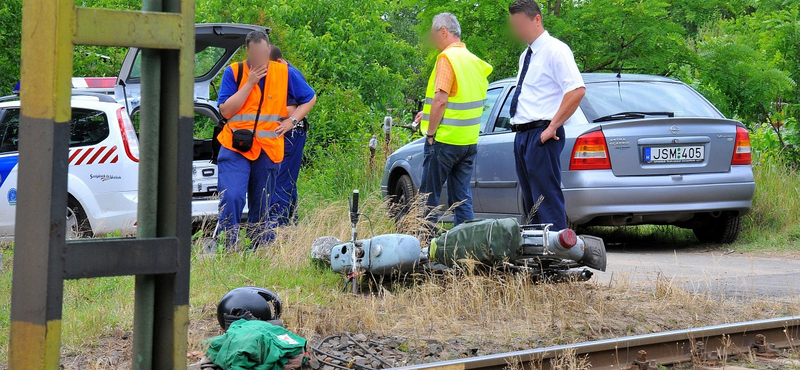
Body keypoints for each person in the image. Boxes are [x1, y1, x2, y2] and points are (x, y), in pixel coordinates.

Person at [216, 31, 316, 248]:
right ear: (248, 51)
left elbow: (310, 97)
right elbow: (226, 110)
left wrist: (292, 121)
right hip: (236, 146)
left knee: (262, 204)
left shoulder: (284, 73)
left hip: (268, 149)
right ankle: (229, 247)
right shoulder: (234, 72)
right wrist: (250, 82)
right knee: (232, 196)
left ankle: (258, 248)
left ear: (269, 50)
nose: (260, 58)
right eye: (255, 54)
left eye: (263, 53)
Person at [507, 0, 585, 230]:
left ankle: (557, 256)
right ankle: (538, 256)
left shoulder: (555, 50)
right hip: (522, 135)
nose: (517, 31)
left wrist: (551, 127)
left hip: (542, 134)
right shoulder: (526, 55)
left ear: (537, 19)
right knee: (531, 202)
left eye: (521, 24)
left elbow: (576, 90)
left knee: (546, 200)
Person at [413, 13, 493, 230]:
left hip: (445, 141)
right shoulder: (474, 61)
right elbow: (460, 99)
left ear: (443, 32)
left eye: (432, 34)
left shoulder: (447, 59)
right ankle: (465, 248)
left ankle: (425, 248)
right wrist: (426, 114)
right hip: (468, 142)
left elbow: (441, 100)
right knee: (462, 199)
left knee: (428, 197)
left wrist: (430, 134)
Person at [268, 46, 310, 226]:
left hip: (291, 134)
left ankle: (277, 228)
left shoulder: (288, 73)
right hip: (287, 134)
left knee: (280, 183)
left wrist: (289, 120)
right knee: (287, 181)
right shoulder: (284, 72)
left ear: (278, 62)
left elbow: (296, 106)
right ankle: (292, 225)